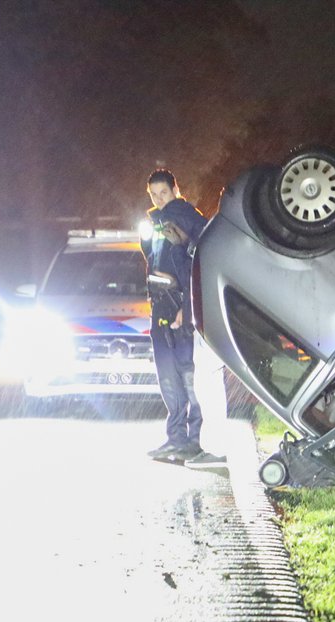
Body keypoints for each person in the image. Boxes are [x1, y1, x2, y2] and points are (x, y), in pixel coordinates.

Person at [141, 168, 221, 464]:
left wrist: (184, 310)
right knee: (169, 377)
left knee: (189, 377)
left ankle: (194, 441)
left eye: (163, 192)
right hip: (161, 307)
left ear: (176, 189)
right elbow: (153, 260)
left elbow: (196, 264)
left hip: (181, 310)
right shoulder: (156, 221)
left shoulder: (187, 217)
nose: (159, 199)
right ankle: (176, 438)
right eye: (153, 194)